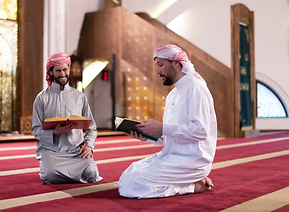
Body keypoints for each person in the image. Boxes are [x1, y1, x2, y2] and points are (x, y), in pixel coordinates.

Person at [118, 44, 217, 198]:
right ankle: (187, 181)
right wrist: (149, 135)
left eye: (161, 65)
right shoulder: (173, 94)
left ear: (176, 63)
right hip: (172, 156)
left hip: (192, 161)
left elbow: (201, 131)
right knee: (127, 175)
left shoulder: (195, 87)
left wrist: (163, 128)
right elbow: (172, 136)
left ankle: (192, 185)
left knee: (133, 186)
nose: (158, 71)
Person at [31, 52, 102, 184]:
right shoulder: (42, 98)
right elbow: (35, 129)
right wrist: (54, 132)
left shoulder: (79, 97)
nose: (62, 74)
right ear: (51, 72)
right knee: (51, 175)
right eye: (58, 70)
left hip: (76, 152)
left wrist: (88, 147)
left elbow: (92, 128)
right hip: (51, 151)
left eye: (65, 69)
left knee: (92, 173)